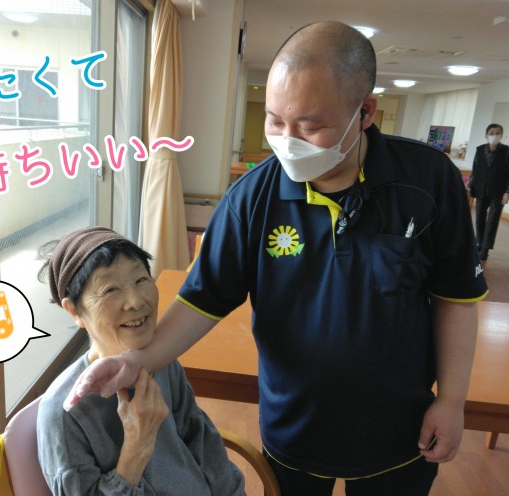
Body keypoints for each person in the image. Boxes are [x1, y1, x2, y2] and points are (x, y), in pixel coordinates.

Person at [63, 22, 488, 495]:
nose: (287, 140)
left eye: (311, 125)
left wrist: (452, 400)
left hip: (400, 428)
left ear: (365, 112)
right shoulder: (251, 198)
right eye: (275, 121)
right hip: (294, 426)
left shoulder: (427, 181)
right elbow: (203, 299)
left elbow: (455, 298)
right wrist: (137, 360)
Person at [36, 226, 244, 495]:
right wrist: (136, 448)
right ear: (74, 310)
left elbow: (202, 441)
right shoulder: (64, 412)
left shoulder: (161, 361)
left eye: (141, 280)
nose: (135, 301)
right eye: (110, 290)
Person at [466, 123, 509, 260]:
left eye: (497, 133)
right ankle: (479, 243)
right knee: (479, 218)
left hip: (498, 192)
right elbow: (475, 170)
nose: (494, 135)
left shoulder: (507, 151)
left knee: (492, 221)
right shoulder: (479, 150)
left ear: (501, 135)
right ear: (486, 135)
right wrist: (469, 186)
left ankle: (485, 249)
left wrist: (507, 192)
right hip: (480, 189)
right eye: (491, 133)